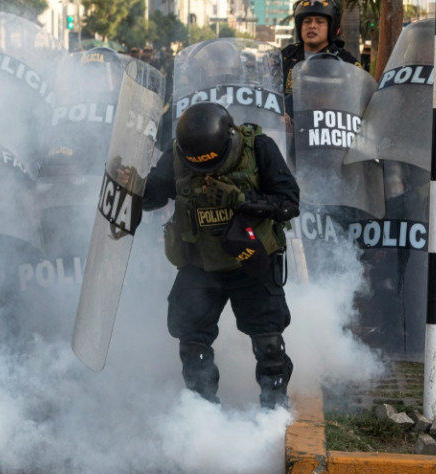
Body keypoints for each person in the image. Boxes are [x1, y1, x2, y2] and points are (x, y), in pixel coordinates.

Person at [136, 102, 300, 409]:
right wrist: (131, 184)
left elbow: (289, 202)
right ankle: (203, 414)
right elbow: (153, 196)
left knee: (269, 345)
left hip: (251, 261)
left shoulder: (258, 148)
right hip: (200, 265)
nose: (206, 170)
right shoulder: (177, 154)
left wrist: (243, 201)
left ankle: (274, 413)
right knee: (192, 342)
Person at [281, 0, 360, 120]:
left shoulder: (346, 62)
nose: (312, 26)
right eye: (307, 21)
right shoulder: (286, 55)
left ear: (331, 27)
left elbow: (358, 103)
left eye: (319, 22)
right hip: (287, 132)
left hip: (328, 129)